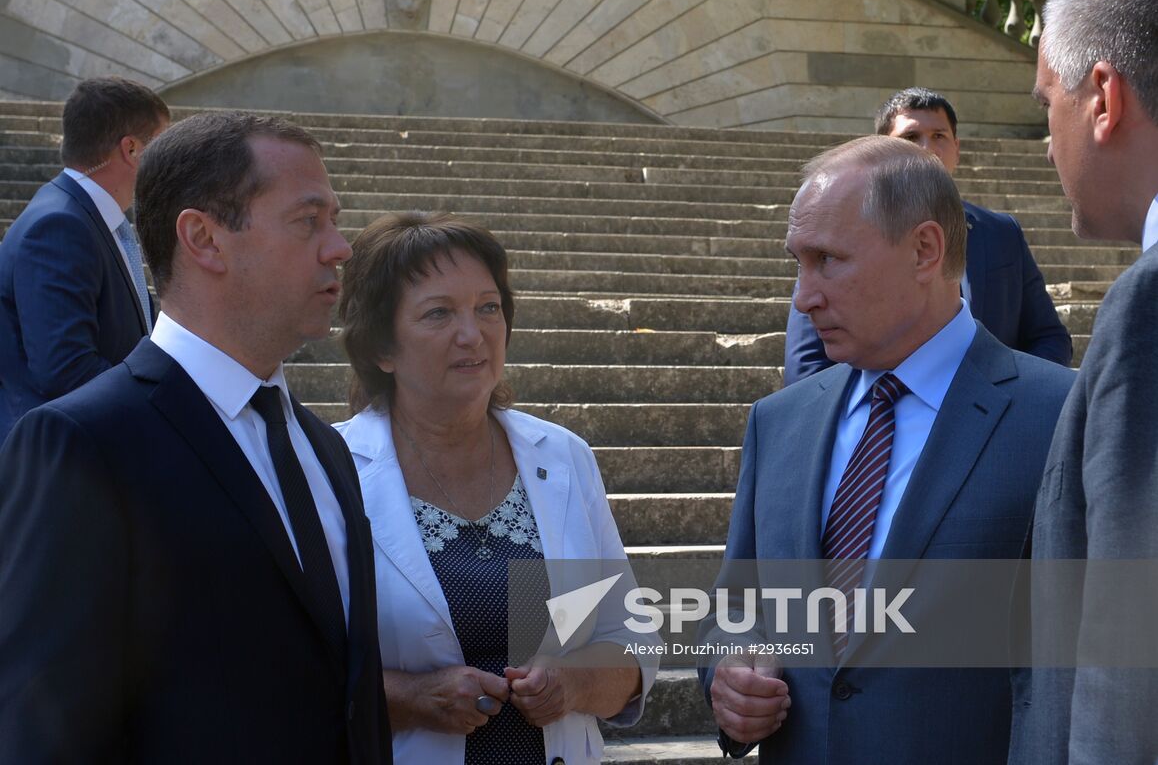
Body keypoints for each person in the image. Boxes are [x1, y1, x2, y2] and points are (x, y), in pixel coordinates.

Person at [0, 112, 392, 764]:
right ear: (204, 239)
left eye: (335, 219)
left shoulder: (327, 451)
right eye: (308, 221)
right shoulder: (82, 443)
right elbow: (42, 732)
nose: (340, 247)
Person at [701, 136, 1075, 763]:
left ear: (924, 250)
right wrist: (728, 671)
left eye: (827, 260)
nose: (803, 296)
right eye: (798, 262)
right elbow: (738, 604)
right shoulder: (778, 422)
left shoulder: (1058, 414)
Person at [335, 211, 658, 764]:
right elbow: (286, 668)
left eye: (488, 307)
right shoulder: (329, 469)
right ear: (381, 349)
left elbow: (631, 642)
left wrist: (572, 685)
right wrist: (410, 699)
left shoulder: (562, 457)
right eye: (438, 313)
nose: (473, 333)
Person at [1008, 0, 1158, 765]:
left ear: (1102, 97)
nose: (1045, 144)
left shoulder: (1149, 306)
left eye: (1046, 106)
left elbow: (1130, 662)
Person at [783, 87, 1072, 385]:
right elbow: (807, 366)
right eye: (910, 137)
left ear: (957, 149)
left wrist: (1011, 396)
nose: (927, 149)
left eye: (939, 137)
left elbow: (1048, 337)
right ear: (880, 151)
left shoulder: (1001, 232)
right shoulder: (839, 234)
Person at [0, 76, 170, 443]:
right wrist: (162, 408)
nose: (169, 163)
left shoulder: (92, 219)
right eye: (163, 145)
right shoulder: (58, 226)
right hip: (57, 464)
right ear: (132, 149)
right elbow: (65, 369)